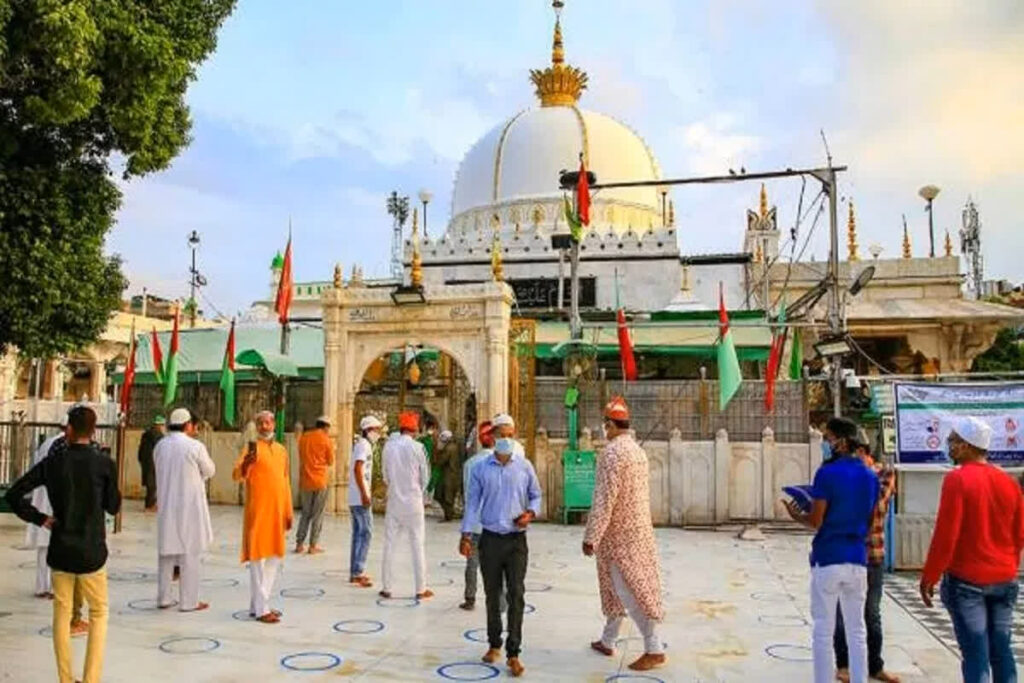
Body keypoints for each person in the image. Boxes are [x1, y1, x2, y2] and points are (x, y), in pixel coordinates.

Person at [5, 404, 121, 683]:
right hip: (92, 549)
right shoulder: (103, 463)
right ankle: (91, 678)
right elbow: (113, 507)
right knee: (98, 612)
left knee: (62, 612)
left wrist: (41, 518)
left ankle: (65, 679)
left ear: (69, 429)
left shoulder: (53, 462)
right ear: (93, 431)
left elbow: (14, 494)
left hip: (61, 548)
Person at [920, 416, 1024, 683]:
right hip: (1004, 579)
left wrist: (930, 575)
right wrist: (1007, 564)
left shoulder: (957, 480)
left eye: (954, 441)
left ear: (967, 445)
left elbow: (946, 535)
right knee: (1002, 651)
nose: (950, 446)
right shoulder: (1009, 483)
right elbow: (1019, 534)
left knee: (976, 655)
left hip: (967, 582)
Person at [786, 416, 879, 683]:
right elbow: (870, 521)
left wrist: (797, 517)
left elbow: (817, 521)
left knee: (823, 631)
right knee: (857, 629)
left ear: (841, 442)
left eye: (827, 438)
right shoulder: (869, 476)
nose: (825, 443)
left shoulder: (826, 474)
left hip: (828, 558)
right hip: (857, 560)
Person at [584, 397, 667, 672]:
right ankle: (608, 639)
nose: (603, 430)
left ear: (610, 424)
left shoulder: (611, 454)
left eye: (604, 424)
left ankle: (653, 648)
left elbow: (604, 500)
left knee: (629, 590)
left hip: (619, 536)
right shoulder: (636, 451)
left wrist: (591, 536)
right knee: (616, 589)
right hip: (640, 530)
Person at [460, 436, 542, 678]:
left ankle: (514, 652)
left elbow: (536, 495)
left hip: (516, 539)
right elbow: (473, 503)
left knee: (516, 593)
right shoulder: (480, 468)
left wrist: (530, 513)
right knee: (492, 594)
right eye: (500, 432)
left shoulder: (524, 466)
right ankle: (494, 642)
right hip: (490, 539)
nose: (505, 437)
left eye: (509, 432)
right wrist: (466, 534)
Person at [834, 436, 900, 683]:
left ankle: (875, 665)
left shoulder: (883, 475)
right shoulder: (842, 477)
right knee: (842, 613)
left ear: (860, 451)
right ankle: (843, 664)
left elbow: (874, 508)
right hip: (844, 554)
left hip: (871, 555)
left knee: (871, 613)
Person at [22, 416, 90, 637]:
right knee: (52, 546)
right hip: (54, 499)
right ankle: (52, 589)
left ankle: (42, 587)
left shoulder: (47, 442)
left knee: (43, 547)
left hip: (42, 496)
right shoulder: (64, 445)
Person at [232, 410, 293, 624]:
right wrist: (247, 463)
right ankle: (262, 608)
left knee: (275, 556)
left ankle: (257, 604)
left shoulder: (282, 450)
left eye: (268, 422)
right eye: (261, 423)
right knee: (258, 559)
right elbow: (237, 474)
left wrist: (288, 511)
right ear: (257, 426)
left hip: (277, 511)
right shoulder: (251, 449)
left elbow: (285, 482)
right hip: (258, 511)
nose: (265, 426)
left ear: (274, 424)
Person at [154, 407, 215, 612]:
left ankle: (164, 598)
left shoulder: (160, 446)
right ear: (188, 425)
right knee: (190, 553)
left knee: (166, 554)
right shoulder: (195, 446)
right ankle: (189, 601)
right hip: (189, 507)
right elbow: (209, 470)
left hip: (167, 504)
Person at [380, 410, 433, 600]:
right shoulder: (418, 448)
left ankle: (387, 587)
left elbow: (385, 476)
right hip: (413, 503)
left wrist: (396, 488)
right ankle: (421, 589)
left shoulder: (388, 447)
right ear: (415, 429)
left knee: (389, 544)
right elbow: (425, 477)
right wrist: (416, 491)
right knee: (417, 544)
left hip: (394, 501)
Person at [460, 421, 505, 612]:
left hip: (475, 523)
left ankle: (470, 598)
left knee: (472, 562)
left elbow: (467, 495)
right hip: (495, 523)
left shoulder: (470, 464)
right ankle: (500, 601)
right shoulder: (502, 463)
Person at [349, 414, 383, 587]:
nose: (378, 433)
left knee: (358, 534)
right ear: (368, 430)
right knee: (366, 532)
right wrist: (364, 493)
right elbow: (357, 469)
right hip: (360, 497)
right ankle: (358, 571)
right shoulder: (363, 446)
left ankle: (355, 571)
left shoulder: (362, 445)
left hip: (355, 497)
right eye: (376, 430)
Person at [295, 416, 335, 554]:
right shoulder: (326, 440)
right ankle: (313, 545)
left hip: (305, 480)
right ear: (325, 427)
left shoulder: (304, 437)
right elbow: (330, 461)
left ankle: (299, 544)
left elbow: (300, 453)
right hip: (320, 481)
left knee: (305, 513)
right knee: (318, 514)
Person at [138, 415, 166, 511]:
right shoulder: (159, 436)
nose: (163, 427)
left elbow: (141, 450)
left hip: (145, 461)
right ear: (158, 425)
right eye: (162, 425)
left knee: (150, 483)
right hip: (153, 462)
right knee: (153, 484)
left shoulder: (146, 434)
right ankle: (149, 506)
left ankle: (150, 504)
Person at [432, 429, 461, 521]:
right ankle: (450, 513)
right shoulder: (453, 446)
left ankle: (449, 515)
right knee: (445, 495)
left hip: (449, 475)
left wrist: (436, 455)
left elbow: (441, 461)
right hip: (452, 474)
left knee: (445, 496)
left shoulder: (449, 448)